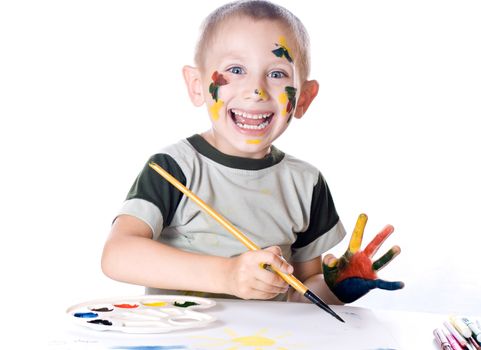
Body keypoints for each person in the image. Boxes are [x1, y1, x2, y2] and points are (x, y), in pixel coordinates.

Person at [101, 0, 403, 305]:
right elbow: (117, 255)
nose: (256, 90)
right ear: (197, 85)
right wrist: (228, 275)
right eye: (236, 69)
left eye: (276, 74)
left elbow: (303, 292)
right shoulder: (174, 168)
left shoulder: (306, 184)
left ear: (304, 98)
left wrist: (336, 289)